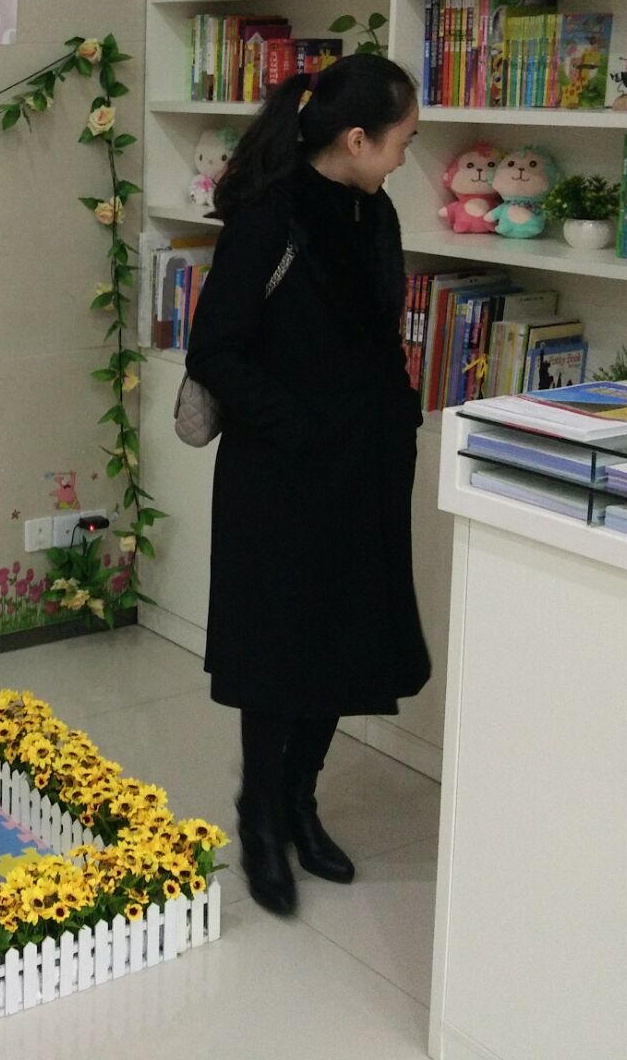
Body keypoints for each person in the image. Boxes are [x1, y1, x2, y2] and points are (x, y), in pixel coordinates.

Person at [184, 53, 431, 917]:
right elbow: (215, 351)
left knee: (342, 642)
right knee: (277, 653)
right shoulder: (270, 218)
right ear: (357, 138)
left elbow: (377, 333)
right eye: (402, 139)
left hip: (366, 467)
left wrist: (396, 419)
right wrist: (302, 429)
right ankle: (259, 814)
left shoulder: (376, 211)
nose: (406, 155)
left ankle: (301, 800)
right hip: (281, 475)